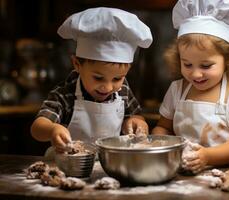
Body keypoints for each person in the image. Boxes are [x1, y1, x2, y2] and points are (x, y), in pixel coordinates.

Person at [152, 0, 229, 173]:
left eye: (205, 66)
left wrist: (207, 156)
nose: (195, 74)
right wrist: (160, 144)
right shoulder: (177, 90)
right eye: (187, 64)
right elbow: (163, 127)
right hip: (185, 172)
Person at [31, 7, 153, 153]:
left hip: (109, 165)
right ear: (77, 64)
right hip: (69, 166)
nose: (107, 87)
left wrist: (137, 123)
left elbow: (135, 116)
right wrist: (52, 129)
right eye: (98, 77)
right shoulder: (65, 93)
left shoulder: (123, 90)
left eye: (117, 78)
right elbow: (37, 127)